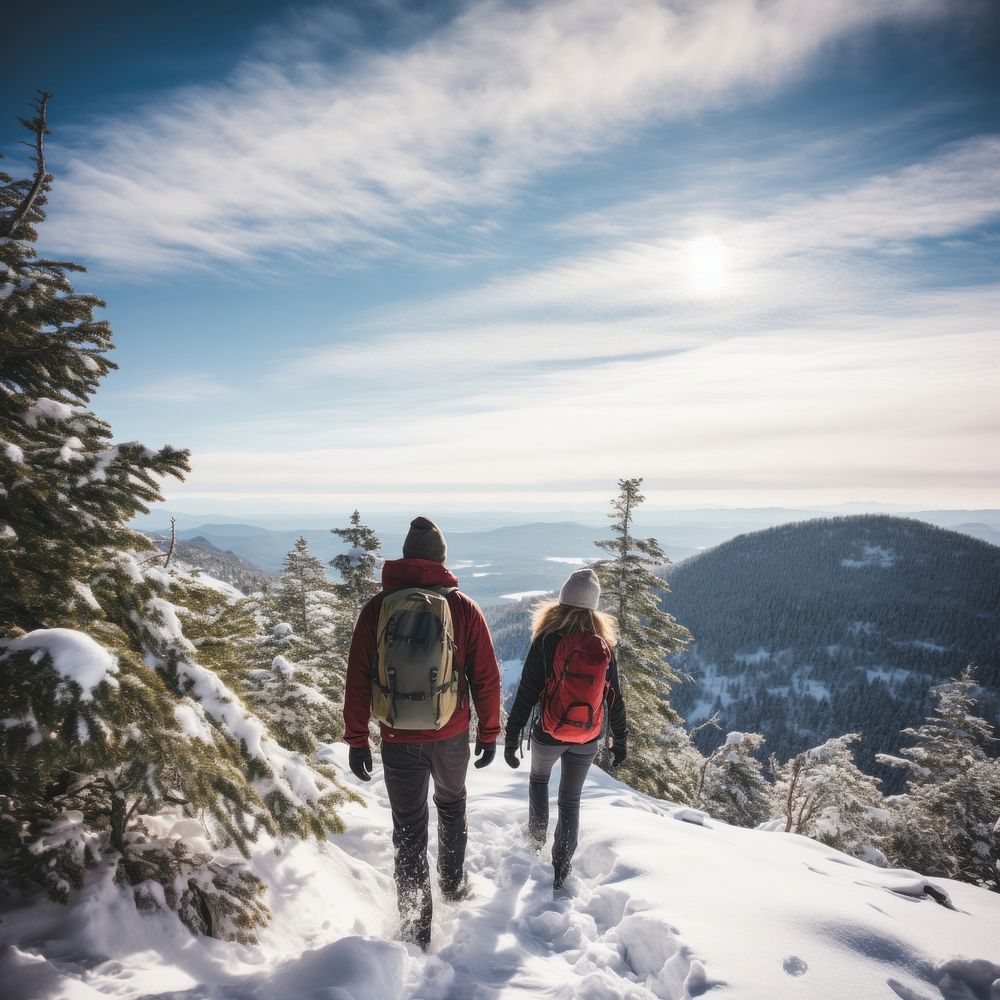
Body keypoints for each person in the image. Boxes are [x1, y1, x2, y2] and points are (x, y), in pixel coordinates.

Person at [343, 516, 501, 950]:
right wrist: (489, 733)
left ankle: (415, 932)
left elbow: (357, 679)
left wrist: (357, 738)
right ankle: (452, 886)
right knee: (452, 806)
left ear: (407, 556)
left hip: (397, 738)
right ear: (441, 559)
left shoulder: (377, 609)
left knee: (409, 831)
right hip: (450, 735)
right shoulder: (463, 608)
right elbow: (485, 677)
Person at [503, 568, 627, 891]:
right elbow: (614, 698)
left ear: (561, 601)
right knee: (570, 800)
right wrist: (620, 739)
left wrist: (512, 734)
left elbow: (527, 692)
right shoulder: (604, 647)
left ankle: (534, 844)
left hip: (548, 733)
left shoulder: (546, 640)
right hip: (588, 737)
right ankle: (560, 871)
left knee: (538, 781)